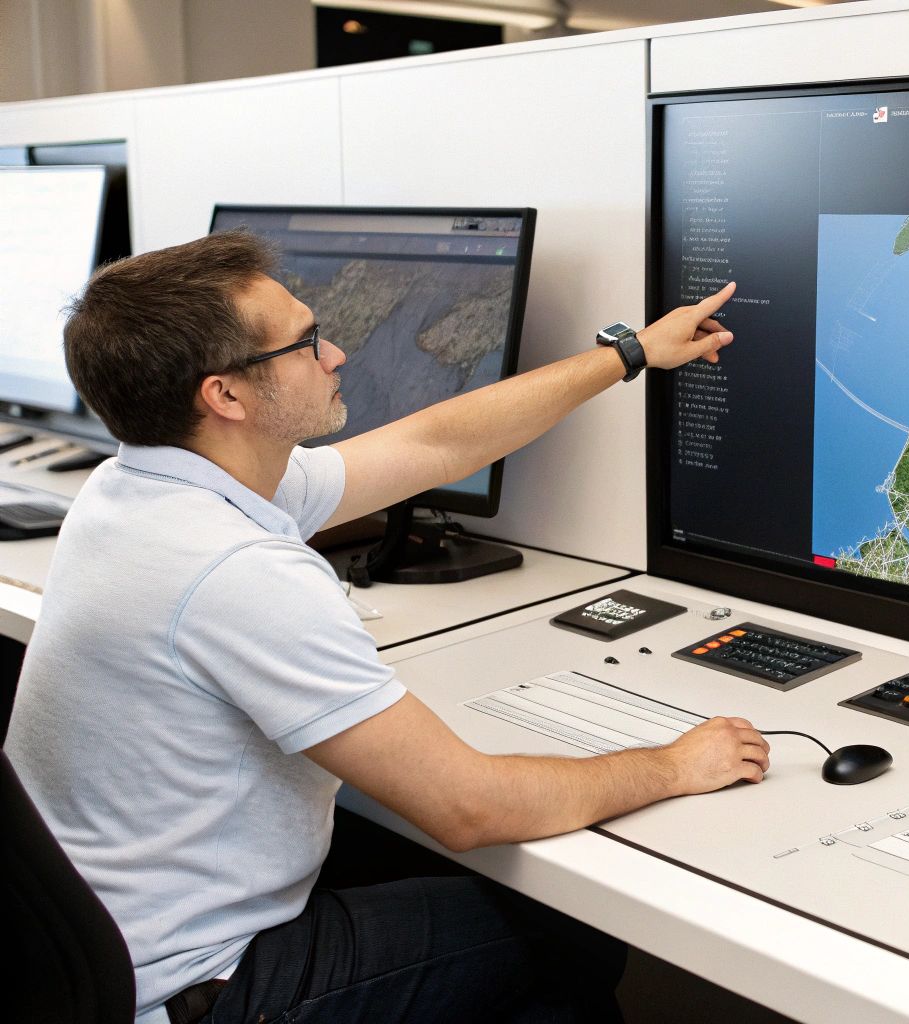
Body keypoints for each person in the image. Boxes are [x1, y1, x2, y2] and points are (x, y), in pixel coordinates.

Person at [3, 230, 770, 1023]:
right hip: (200, 987)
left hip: (99, 947)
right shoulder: (237, 570)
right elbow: (468, 808)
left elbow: (433, 443)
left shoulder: (135, 486)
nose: (335, 354)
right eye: (303, 345)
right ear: (224, 397)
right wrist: (674, 766)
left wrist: (630, 354)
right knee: (565, 936)